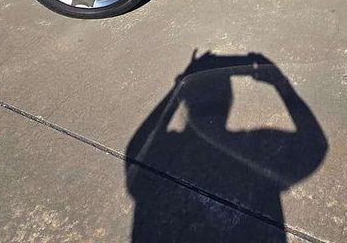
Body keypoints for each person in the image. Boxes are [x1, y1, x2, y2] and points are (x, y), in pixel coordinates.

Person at [125, 52, 328, 242]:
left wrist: (177, 88)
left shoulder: (163, 152)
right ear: (229, 101)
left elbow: (146, 135)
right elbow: (314, 143)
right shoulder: (250, 149)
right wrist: (280, 82)